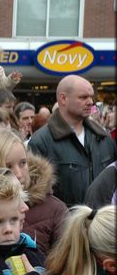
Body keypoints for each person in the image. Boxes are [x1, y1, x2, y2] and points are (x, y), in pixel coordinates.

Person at [0, 128, 67, 255]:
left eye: (23, 163)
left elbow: (69, 264)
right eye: (8, 166)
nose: (18, 174)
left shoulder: (54, 209)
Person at [29, 75, 117, 207]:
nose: (90, 102)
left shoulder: (104, 138)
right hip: (65, 225)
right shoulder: (41, 142)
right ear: (63, 98)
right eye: (83, 97)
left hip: (102, 224)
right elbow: (36, 197)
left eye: (91, 97)